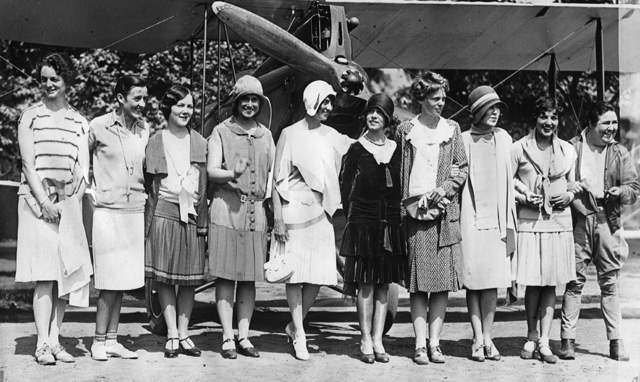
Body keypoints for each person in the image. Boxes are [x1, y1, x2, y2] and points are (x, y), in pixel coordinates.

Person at [15, 52, 93, 365]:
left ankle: (56, 340)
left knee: (66, 273)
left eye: (55, 79)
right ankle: (41, 345)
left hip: (68, 204)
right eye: (44, 79)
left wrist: (71, 196)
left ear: (66, 81)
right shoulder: (29, 116)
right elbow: (28, 164)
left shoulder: (79, 121)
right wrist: (45, 202)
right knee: (45, 276)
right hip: (36, 203)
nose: (49, 84)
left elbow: (83, 168)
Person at [272, 80, 353, 361]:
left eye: (331, 102)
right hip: (293, 209)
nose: (328, 107)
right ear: (311, 101)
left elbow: (360, 148)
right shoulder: (289, 134)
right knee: (295, 275)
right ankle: (300, 333)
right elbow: (276, 181)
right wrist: (278, 219)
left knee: (318, 275)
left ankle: (294, 326)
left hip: (323, 212)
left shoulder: (333, 136)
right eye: (324, 101)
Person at [394, 72, 468, 365]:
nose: (441, 103)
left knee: (440, 284)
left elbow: (461, 167)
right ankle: (419, 345)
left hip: (443, 215)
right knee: (418, 283)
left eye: (443, 98)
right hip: (414, 216)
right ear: (421, 99)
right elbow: (398, 169)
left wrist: (444, 188)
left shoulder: (452, 129)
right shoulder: (404, 129)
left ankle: (435, 344)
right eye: (435, 98)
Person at [559, 101, 640, 361]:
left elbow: (634, 189)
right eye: (606, 123)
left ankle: (616, 343)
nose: (612, 128)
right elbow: (560, 183)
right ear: (591, 124)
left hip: (609, 220)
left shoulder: (620, 152)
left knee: (610, 283)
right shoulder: (570, 148)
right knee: (574, 282)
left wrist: (621, 191)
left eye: (614, 122)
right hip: (579, 219)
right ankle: (567, 341)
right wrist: (573, 187)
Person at [207, 76, 275, 359]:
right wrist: (232, 174)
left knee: (248, 278)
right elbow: (211, 171)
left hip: (255, 212)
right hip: (227, 208)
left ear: (260, 104)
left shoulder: (266, 135)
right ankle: (226, 336)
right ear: (236, 102)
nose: (249, 104)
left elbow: (272, 176)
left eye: (254, 100)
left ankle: (244, 336)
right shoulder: (221, 131)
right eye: (244, 99)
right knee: (225, 276)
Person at [339, 93, 406, 364]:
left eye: (379, 112)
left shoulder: (396, 149)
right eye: (370, 112)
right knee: (365, 284)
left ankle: (379, 339)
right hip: (363, 225)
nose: (373, 116)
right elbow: (345, 190)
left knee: (383, 285)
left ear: (388, 118)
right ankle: (365, 338)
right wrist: (356, 220)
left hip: (390, 225)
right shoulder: (356, 149)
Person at [511, 96, 577, 364]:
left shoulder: (568, 150)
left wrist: (569, 197)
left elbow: (574, 184)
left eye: (554, 117)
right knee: (534, 282)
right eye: (543, 117)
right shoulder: (519, 148)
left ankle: (545, 342)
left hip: (559, 222)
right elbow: (510, 180)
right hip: (530, 221)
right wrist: (526, 195)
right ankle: (530, 335)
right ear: (534, 119)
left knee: (551, 281)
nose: (549, 122)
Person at [89, 75, 149, 361]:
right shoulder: (97, 126)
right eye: (136, 98)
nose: (142, 103)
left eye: (144, 98)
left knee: (123, 280)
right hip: (108, 213)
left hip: (135, 211)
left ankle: (112, 340)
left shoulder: (144, 129)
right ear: (120, 99)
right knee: (108, 280)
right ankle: (97, 341)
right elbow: (79, 163)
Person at [145, 85, 208, 358]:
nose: (185, 111)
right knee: (167, 278)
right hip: (164, 211)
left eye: (189, 106)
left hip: (192, 213)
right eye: (179, 105)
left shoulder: (200, 141)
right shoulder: (156, 140)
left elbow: (204, 187)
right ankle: (171, 332)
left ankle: (184, 333)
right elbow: (150, 185)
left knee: (190, 279)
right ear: (167, 108)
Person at [460, 85, 517, 362]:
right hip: (470, 218)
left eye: (497, 108)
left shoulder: (505, 138)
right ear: (477, 112)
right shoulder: (463, 139)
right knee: (473, 280)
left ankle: (489, 337)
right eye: (489, 108)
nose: (495, 113)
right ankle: (477, 338)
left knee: (493, 281)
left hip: (498, 220)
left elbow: (515, 174)